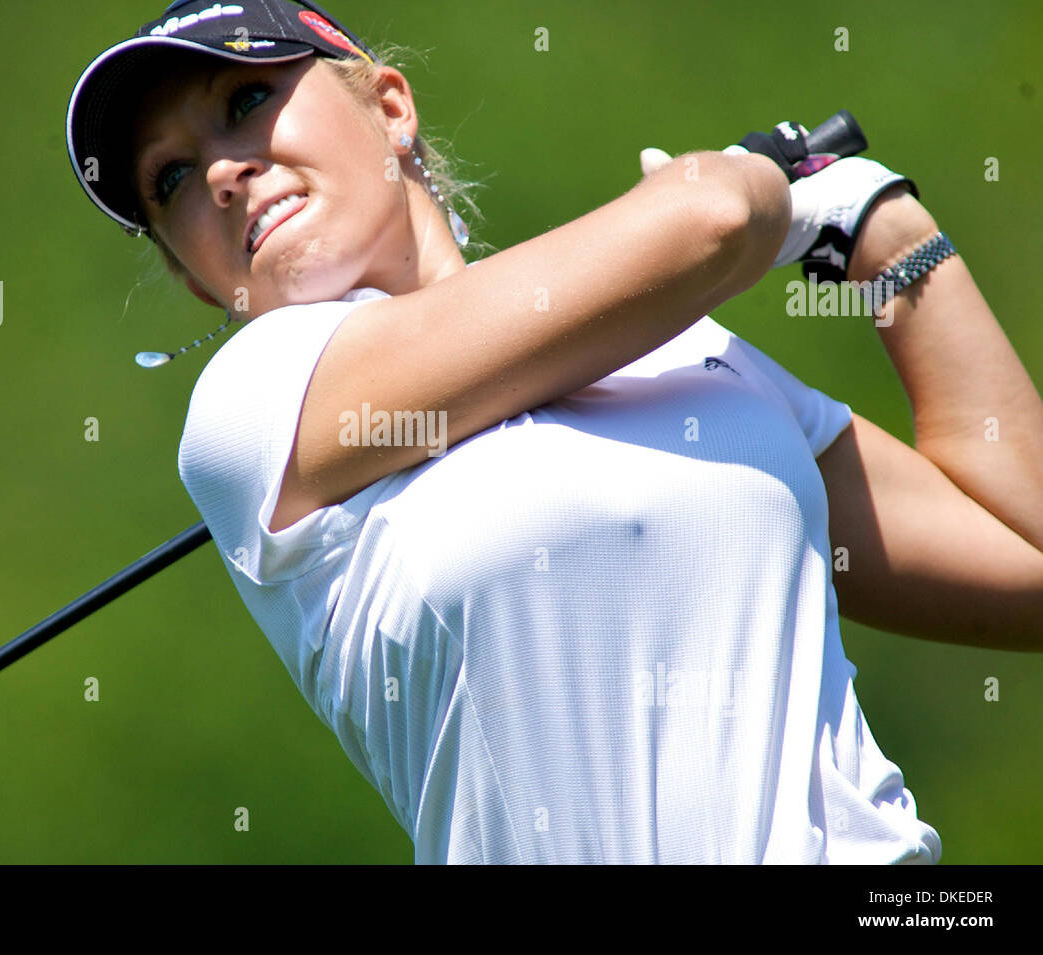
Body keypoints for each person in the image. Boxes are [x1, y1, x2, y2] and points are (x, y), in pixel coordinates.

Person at [66, 0, 1043, 863]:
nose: (225, 173)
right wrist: (747, 186)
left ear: (390, 108)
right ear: (197, 280)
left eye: (243, 103)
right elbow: (705, 218)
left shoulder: (688, 355)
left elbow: (1028, 566)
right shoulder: (251, 409)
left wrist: (885, 233)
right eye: (172, 181)